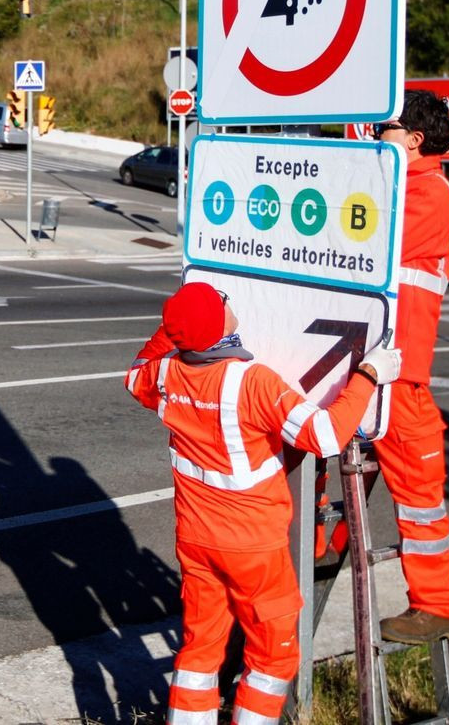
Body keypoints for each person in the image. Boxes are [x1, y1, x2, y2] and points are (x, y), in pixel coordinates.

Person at [126, 282, 400, 725]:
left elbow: (134, 372)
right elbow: (326, 434)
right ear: (217, 327)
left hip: (195, 540)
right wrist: (369, 375)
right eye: (221, 302)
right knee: (272, 658)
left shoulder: (166, 376)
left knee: (200, 650)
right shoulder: (252, 383)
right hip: (253, 546)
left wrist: (173, 328)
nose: (229, 301)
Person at [371, 89, 449, 645]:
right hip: (372, 365)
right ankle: (317, 551)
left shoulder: (428, 193)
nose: (372, 138)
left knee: (419, 496)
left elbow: (368, 241)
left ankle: (436, 605)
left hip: (401, 373)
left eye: (384, 131)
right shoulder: (404, 186)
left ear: (415, 139)